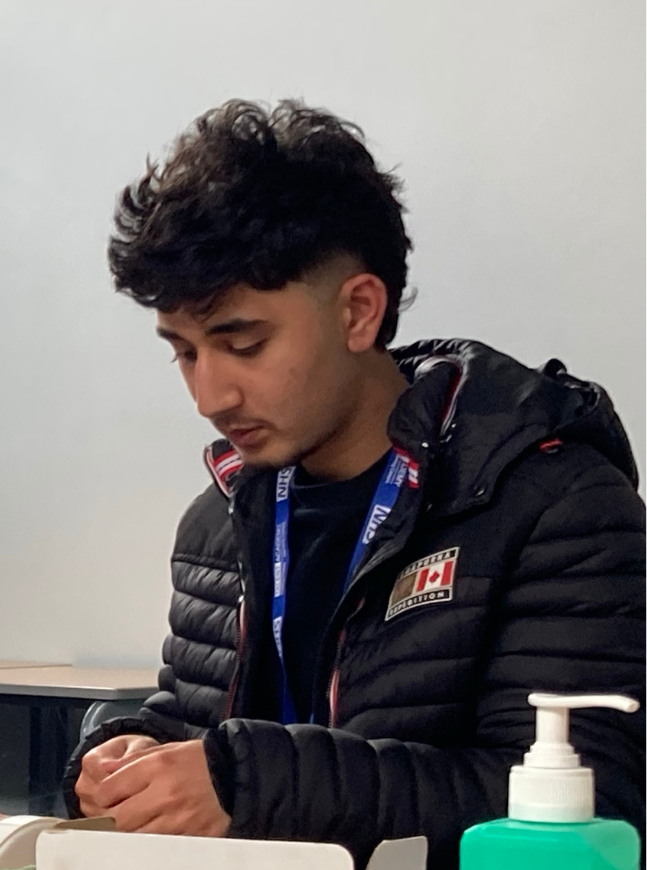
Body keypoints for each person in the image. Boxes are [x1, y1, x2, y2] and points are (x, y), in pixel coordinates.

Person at [67, 100, 644, 866]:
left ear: (359, 312)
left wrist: (253, 784)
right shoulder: (223, 515)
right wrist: (125, 752)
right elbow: (197, 729)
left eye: (244, 344)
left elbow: (589, 808)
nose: (209, 397)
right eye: (184, 351)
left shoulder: (553, 503)